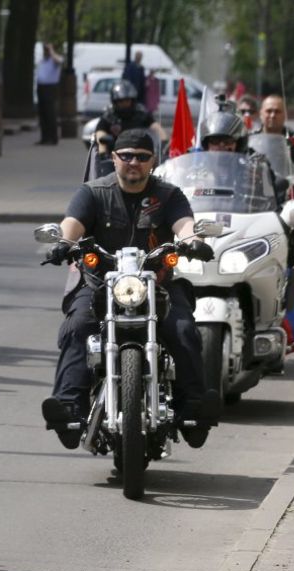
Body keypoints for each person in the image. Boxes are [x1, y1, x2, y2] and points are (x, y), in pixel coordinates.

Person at [41, 129, 217, 449]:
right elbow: (72, 224)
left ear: (153, 161)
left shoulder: (168, 195)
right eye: (126, 156)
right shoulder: (93, 192)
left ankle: (192, 410)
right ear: (114, 158)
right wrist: (63, 244)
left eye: (141, 157)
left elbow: (185, 226)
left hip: (157, 284)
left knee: (184, 329)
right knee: (76, 327)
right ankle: (69, 409)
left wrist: (195, 242)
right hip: (100, 284)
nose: (133, 162)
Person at [93, 79, 167, 155]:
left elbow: (155, 126)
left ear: (133, 100)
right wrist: (102, 152)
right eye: (121, 101)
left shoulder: (140, 113)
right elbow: (100, 133)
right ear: (115, 101)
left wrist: (164, 142)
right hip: (115, 157)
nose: (125, 104)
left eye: (127, 100)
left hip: (140, 155)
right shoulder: (109, 116)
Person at [35, 42, 63, 146]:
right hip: (41, 88)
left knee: (50, 113)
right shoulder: (42, 61)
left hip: (50, 88)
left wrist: (51, 50)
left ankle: (53, 138)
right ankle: (44, 138)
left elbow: (59, 61)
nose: (45, 51)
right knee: (42, 114)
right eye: (45, 50)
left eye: (47, 50)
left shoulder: (55, 60)